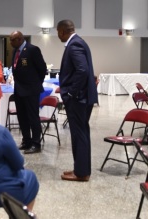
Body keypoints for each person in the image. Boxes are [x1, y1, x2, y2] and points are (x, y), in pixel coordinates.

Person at [56, 20, 98, 182]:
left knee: (79, 135)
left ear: (62, 31)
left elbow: (82, 70)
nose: (58, 35)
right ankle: (81, 169)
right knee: (81, 134)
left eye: (58, 32)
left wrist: (71, 93)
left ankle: (81, 173)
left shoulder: (74, 45)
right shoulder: (79, 42)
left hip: (78, 99)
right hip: (82, 97)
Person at [10, 31, 47, 154]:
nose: (10, 42)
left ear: (20, 39)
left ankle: (36, 144)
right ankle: (26, 141)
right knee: (22, 117)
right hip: (19, 90)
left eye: (12, 40)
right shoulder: (16, 51)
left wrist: (36, 83)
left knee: (33, 117)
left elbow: (42, 69)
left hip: (31, 90)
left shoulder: (32, 49)